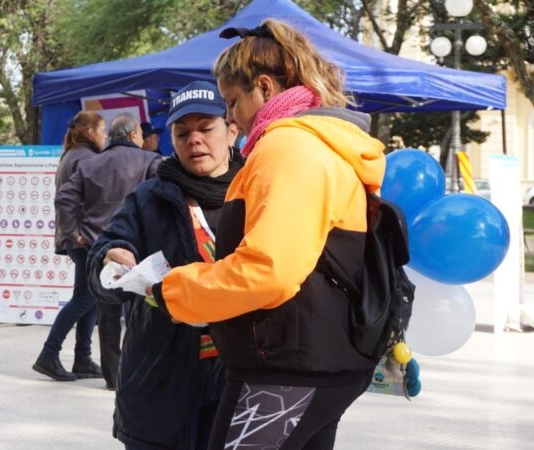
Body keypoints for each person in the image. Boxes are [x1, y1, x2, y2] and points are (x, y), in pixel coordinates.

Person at [146, 21, 386, 449]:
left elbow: (267, 270)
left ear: (264, 87)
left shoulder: (289, 147)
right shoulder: (323, 143)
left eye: (233, 101)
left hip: (285, 367)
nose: (231, 115)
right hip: (317, 358)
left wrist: (172, 290)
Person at [89, 81, 241, 450]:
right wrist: (110, 260)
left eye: (206, 128)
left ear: (232, 130)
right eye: (182, 132)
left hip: (238, 377)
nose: (195, 140)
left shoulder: (257, 193)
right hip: (160, 378)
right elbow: (105, 256)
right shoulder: (149, 197)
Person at [55, 112, 161, 390]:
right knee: (141, 311)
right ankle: (136, 371)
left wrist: (73, 233)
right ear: (132, 135)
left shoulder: (90, 164)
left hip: (99, 247)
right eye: (140, 133)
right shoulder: (151, 161)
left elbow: (64, 196)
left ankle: (113, 377)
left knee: (108, 314)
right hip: (139, 249)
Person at [32, 111, 108, 382]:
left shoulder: (73, 155)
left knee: (90, 297)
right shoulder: (85, 158)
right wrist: (75, 234)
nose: (105, 136)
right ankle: (49, 355)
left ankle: (83, 358)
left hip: (79, 236)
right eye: (102, 131)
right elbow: (69, 199)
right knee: (86, 297)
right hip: (83, 237)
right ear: (89, 132)